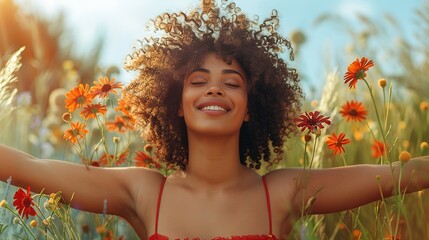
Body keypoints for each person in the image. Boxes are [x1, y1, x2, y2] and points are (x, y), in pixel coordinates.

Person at [1, 1, 429, 239]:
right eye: (198, 81)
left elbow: (398, 174)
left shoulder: (281, 191)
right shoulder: (143, 190)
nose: (214, 89)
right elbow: (27, 167)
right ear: (176, 102)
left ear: (249, 109)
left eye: (233, 82)